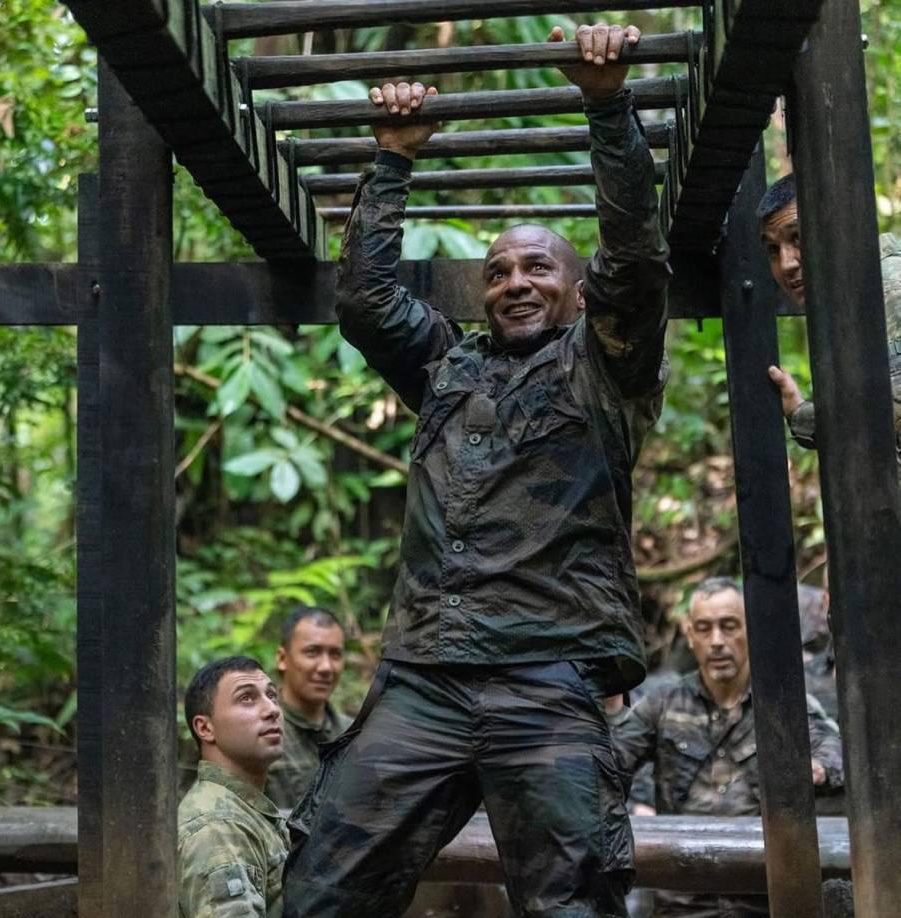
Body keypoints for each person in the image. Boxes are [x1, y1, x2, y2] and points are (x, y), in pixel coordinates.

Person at [283, 21, 670, 918]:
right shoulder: (447, 367)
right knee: (319, 886)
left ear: (576, 292)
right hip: (426, 677)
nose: (514, 281)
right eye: (497, 271)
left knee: (572, 897)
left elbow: (639, 260)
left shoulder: (603, 364)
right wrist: (392, 160)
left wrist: (607, 107)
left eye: (538, 266)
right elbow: (368, 301)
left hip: (549, 677)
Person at [611, 577, 844, 917]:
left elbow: (833, 749)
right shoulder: (662, 704)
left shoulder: (781, 703)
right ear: (690, 636)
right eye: (704, 629)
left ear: (750, 630)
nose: (716, 641)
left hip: (763, 896)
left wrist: (816, 769)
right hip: (683, 899)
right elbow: (609, 763)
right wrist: (635, 806)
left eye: (729, 626)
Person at [761, 174, 901, 474]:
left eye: (797, 237)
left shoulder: (889, 285)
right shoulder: (843, 306)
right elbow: (870, 416)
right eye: (773, 250)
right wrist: (800, 414)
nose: (786, 264)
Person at [178, 656, 290, 918]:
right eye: (247, 698)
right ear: (205, 728)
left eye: (272, 696)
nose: (271, 709)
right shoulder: (218, 827)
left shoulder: (242, 809)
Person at [265, 606, 352, 809]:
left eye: (335, 654)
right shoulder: (260, 731)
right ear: (282, 659)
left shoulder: (353, 735)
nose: (326, 667)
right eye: (312, 652)